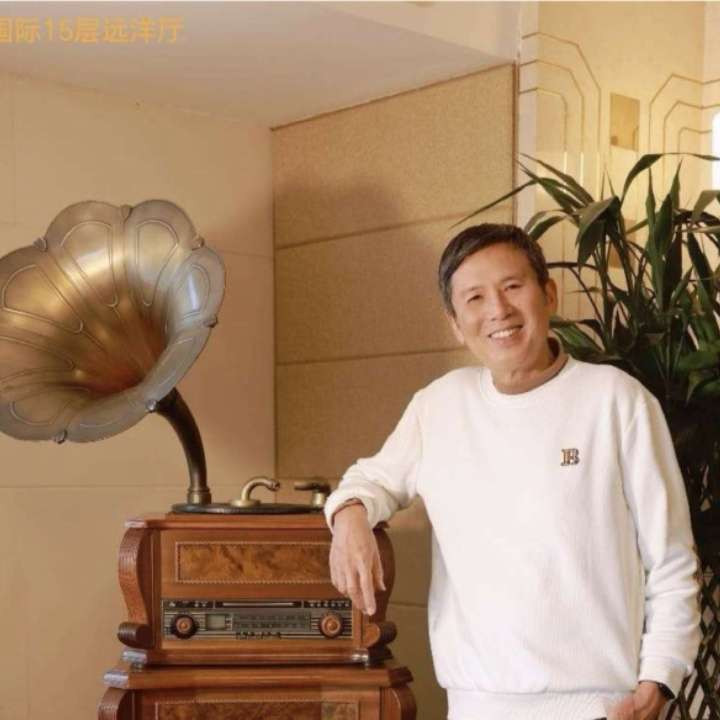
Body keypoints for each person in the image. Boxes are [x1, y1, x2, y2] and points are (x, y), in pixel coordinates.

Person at [324, 224, 702, 720]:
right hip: (476, 705)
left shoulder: (617, 400)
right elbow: (370, 479)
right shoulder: (439, 406)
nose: (498, 310)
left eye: (512, 286)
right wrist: (350, 513)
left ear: (549, 294)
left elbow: (670, 558)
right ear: (456, 324)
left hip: (602, 707)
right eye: (475, 298)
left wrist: (660, 679)